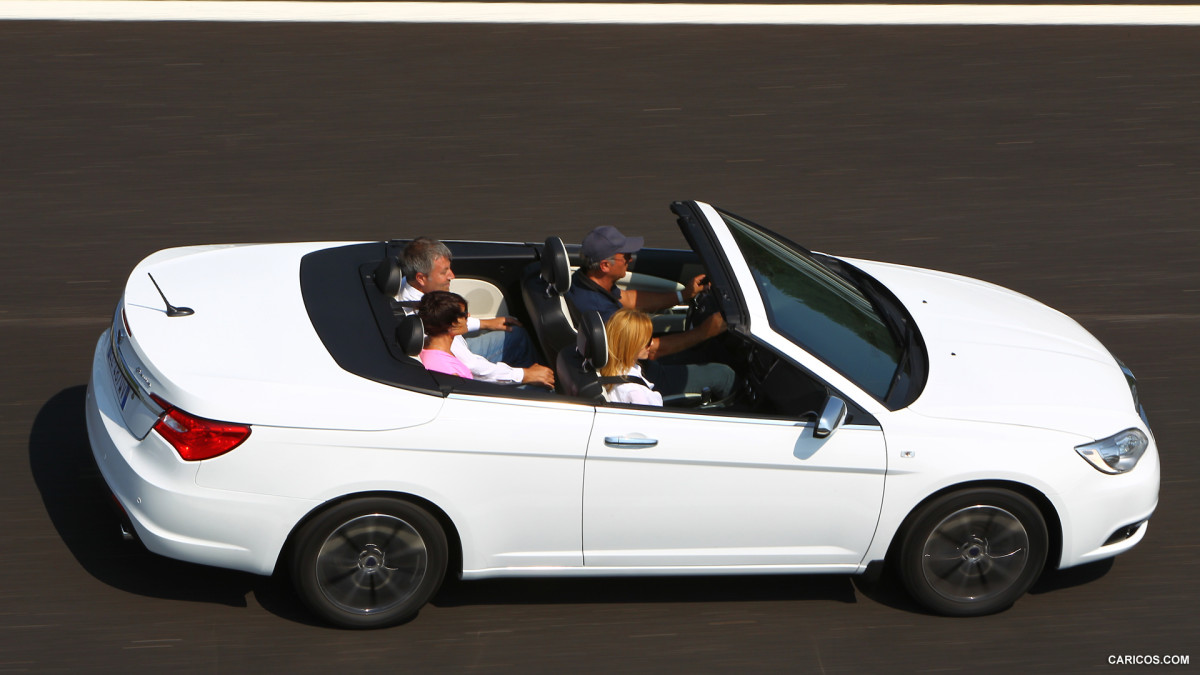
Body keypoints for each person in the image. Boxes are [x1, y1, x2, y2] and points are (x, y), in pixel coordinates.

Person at [565, 225, 734, 399]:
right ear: (605, 265)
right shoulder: (601, 312)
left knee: (708, 353)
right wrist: (704, 332)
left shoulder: (583, 280)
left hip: (636, 359)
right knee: (724, 375)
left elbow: (629, 299)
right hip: (645, 373)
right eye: (626, 256)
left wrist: (683, 295)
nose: (630, 260)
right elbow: (650, 350)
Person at [399, 237, 555, 388]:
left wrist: (486, 323)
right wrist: (524, 375)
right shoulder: (417, 314)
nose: (452, 276)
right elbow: (470, 365)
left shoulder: (410, 284)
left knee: (516, 335)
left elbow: (449, 320)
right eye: (444, 272)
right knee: (537, 388)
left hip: (461, 351)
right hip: (464, 365)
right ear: (421, 278)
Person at [600, 308, 662, 406]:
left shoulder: (608, 371)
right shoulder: (634, 392)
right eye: (648, 341)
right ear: (632, 345)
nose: (652, 343)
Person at [417, 291, 473, 379]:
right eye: (465, 314)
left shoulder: (424, 345)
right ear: (453, 323)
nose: (469, 315)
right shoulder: (450, 373)